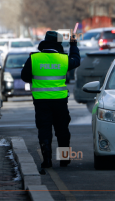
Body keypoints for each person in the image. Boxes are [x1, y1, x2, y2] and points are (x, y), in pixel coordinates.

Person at [21, 31, 80, 168]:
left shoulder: (34, 58)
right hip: (60, 101)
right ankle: (64, 159)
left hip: (41, 102)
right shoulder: (63, 59)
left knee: (44, 130)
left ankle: (47, 160)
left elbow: (24, 76)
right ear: (58, 44)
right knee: (62, 130)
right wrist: (73, 45)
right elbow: (76, 60)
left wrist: (36, 81)